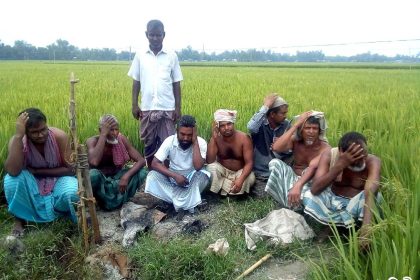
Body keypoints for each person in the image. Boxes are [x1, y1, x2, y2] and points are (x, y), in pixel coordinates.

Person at [4, 108, 79, 237]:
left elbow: (71, 169)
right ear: (26, 132)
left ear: (46, 125)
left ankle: (59, 213)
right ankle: (20, 219)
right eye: (34, 132)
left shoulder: (59, 137)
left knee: (72, 191)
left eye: (43, 129)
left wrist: (38, 171)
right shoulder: (18, 141)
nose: (41, 135)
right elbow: (13, 171)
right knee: (11, 181)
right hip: (32, 182)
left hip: (58, 179)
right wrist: (18, 136)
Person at [303, 132, 381, 248]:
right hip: (333, 201)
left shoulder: (373, 161)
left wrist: (366, 231)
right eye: (356, 156)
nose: (361, 160)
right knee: (309, 195)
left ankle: (350, 227)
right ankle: (333, 225)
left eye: (363, 154)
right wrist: (341, 164)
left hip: (356, 205)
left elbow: (370, 192)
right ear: (341, 152)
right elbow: (315, 189)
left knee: (377, 196)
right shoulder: (330, 155)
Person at [128, 19, 183, 168]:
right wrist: (134, 104)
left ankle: (166, 176)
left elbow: (176, 83)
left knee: (168, 143)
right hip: (147, 108)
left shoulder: (172, 56)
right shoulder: (140, 55)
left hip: (167, 108)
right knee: (149, 143)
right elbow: (136, 81)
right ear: (147, 35)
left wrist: (178, 108)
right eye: (152, 35)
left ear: (163, 35)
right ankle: (152, 175)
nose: (155, 38)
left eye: (158, 35)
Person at [144, 115, 209, 217]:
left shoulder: (201, 143)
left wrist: (195, 141)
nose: (186, 138)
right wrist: (175, 176)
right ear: (177, 130)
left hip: (192, 180)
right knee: (152, 176)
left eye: (189, 135)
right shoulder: (169, 141)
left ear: (194, 133)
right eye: (182, 134)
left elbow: (198, 167)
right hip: (173, 180)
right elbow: (155, 163)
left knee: (203, 175)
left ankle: (174, 202)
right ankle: (191, 202)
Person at [265, 111, 330, 209]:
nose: (311, 132)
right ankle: (290, 201)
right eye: (307, 128)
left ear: (319, 131)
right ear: (301, 130)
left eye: (315, 128)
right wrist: (296, 125)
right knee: (274, 163)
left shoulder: (325, 148)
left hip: (309, 183)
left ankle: (290, 202)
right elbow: (276, 147)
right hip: (292, 178)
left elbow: (312, 167)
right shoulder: (296, 141)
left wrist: (298, 185)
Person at [86, 114, 147, 210]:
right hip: (102, 181)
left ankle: (116, 200)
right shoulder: (92, 141)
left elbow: (141, 161)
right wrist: (103, 135)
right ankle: (103, 201)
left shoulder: (121, 139)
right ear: (100, 130)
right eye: (111, 130)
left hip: (118, 179)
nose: (115, 133)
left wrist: (126, 176)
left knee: (142, 172)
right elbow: (94, 162)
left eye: (116, 129)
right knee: (92, 175)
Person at [247, 93, 291, 196]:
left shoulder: (286, 124)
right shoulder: (260, 124)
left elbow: (292, 147)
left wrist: (284, 145)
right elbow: (251, 128)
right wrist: (266, 106)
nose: (285, 116)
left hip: (280, 168)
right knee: (264, 195)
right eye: (282, 113)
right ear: (272, 114)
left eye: (286, 113)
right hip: (262, 171)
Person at [207, 109, 255, 196]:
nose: (226, 128)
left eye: (229, 124)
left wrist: (240, 179)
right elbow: (210, 161)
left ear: (233, 124)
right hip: (223, 172)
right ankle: (233, 190)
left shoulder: (244, 138)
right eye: (222, 126)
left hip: (239, 172)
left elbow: (249, 163)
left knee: (250, 177)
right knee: (211, 168)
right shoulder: (216, 138)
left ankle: (224, 189)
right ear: (218, 127)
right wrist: (213, 138)